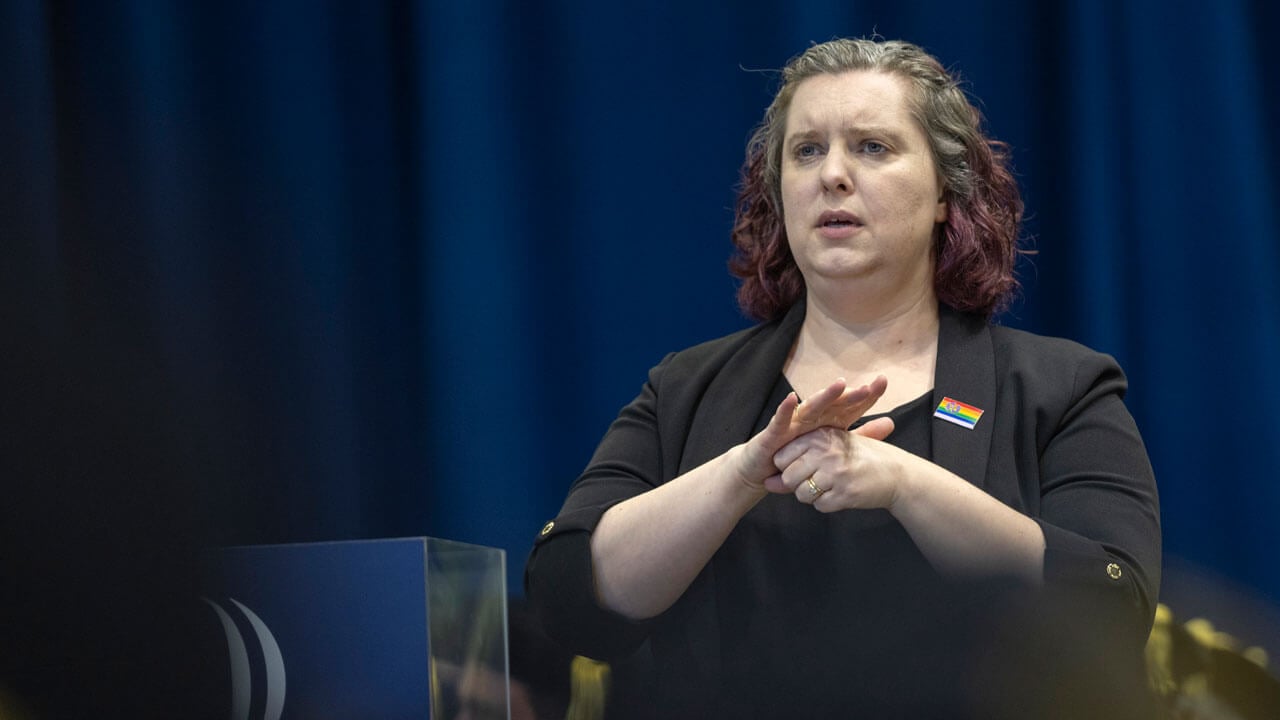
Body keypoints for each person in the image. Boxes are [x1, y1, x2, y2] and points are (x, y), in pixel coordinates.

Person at [525, 37, 1161, 718]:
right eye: (806, 150)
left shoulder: (1059, 388)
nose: (832, 174)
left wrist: (903, 483)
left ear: (947, 192)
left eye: (872, 147)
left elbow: (1109, 609)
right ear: (778, 189)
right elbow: (568, 600)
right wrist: (739, 474)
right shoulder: (686, 389)